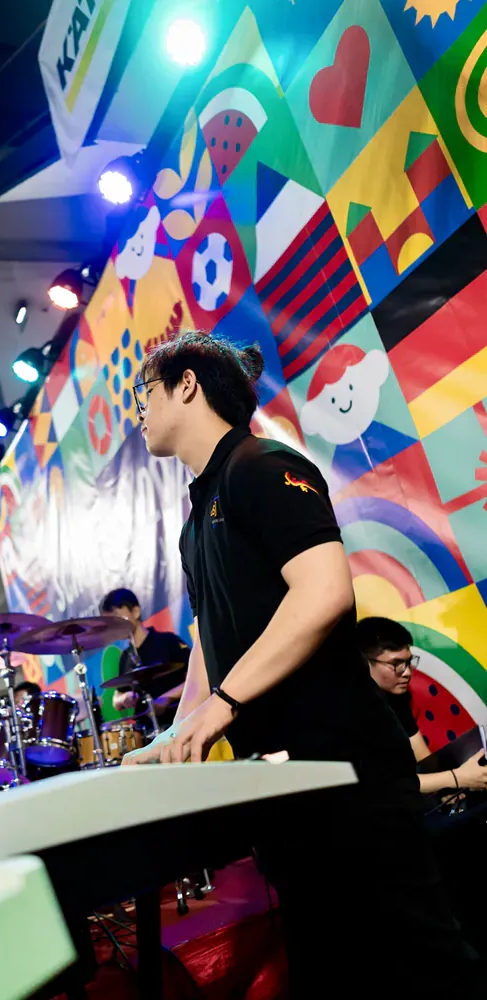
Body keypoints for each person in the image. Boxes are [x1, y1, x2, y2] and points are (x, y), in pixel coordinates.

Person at [122, 330, 482, 998]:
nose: (135, 411)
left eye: (142, 392)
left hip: (348, 770)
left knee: (424, 961)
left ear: (187, 386)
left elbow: (322, 592)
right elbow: (209, 638)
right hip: (283, 789)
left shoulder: (260, 467)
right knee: (333, 967)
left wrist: (223, 706)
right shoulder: (194, 516)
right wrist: (176, 734)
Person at [356, 616, 487, 795]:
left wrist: (449, 788)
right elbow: (387, 784)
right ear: (363, 663)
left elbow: (424, 759)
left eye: (408, 662)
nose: (407, 672)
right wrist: (457, 777)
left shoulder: (396, 698)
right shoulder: (352, 713)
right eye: (396, 664)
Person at [99, 588, 189, 728]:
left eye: (117, 617)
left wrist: (167, 698)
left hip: (178, 722)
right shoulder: (125, 657)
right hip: (145, 731)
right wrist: (125, 698)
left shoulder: (167, 641)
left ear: (136, 612)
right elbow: (116, 698)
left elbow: (197, 677)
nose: (115, 625)